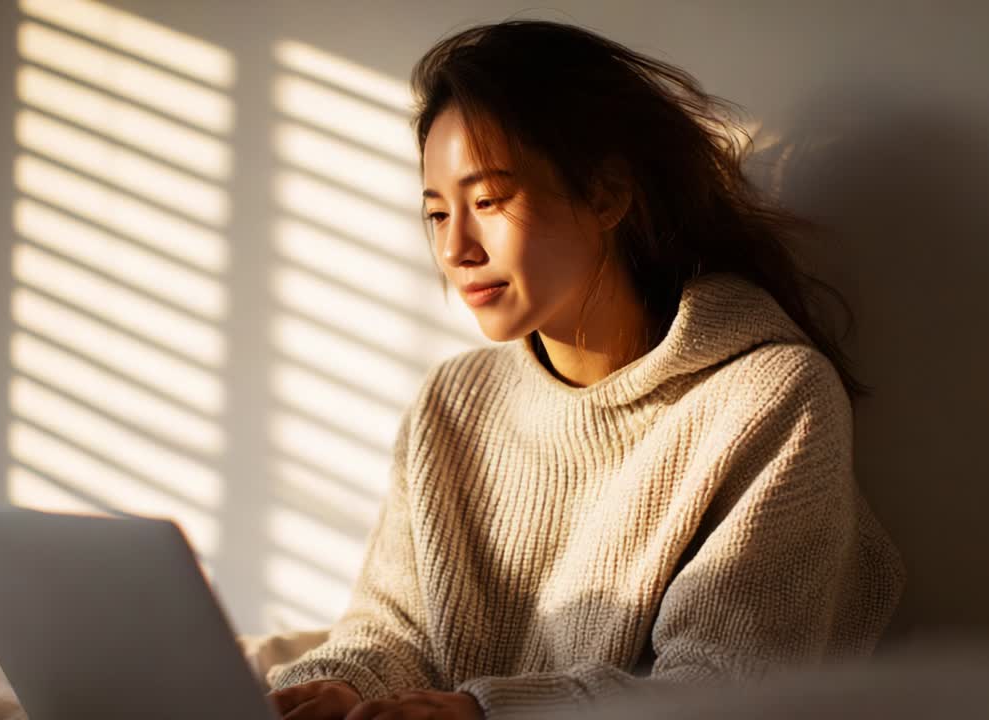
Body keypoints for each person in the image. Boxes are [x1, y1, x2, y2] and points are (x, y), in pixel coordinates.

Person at [265, 19, 905, 720]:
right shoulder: (452, 402)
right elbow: (392, 630)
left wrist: (481, 713)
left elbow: (724, 682)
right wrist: (338, 686)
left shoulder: (768, 397)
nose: (455, 249)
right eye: (438, 213)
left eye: (487, 201)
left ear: (605, 195)